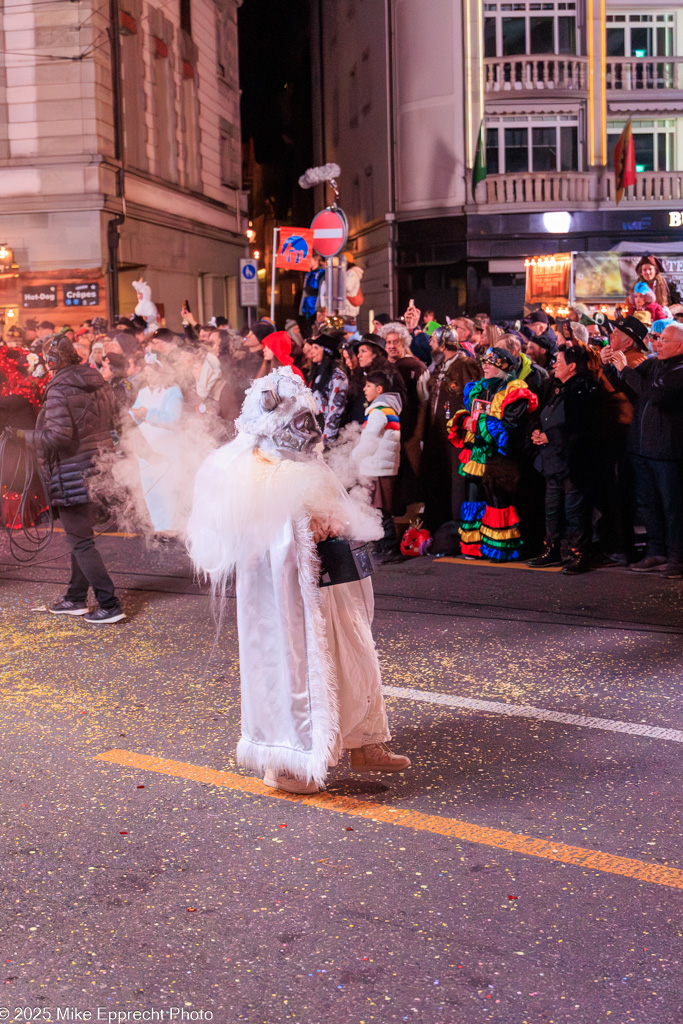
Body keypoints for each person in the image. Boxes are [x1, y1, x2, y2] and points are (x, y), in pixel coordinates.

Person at [186, 367, 411, 794]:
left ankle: (363, 740)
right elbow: (262, 536)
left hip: (326, 582)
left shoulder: (305, 462)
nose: (309, 432)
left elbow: (333, 503)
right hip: (282, 597)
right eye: (299, 422)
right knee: (289, 667)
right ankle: (283, 760)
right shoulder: (251, 468)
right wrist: (307, 527)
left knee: (354, 650)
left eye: (310, 420)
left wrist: (333, 522)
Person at [4, 335, 123, 622]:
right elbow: (115, 422)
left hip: (72, 472)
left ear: (54, 361)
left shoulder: (59, 389)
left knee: (81, 542)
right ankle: (76, 597)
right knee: (79, 538)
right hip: (97, 468)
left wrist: (22, 436)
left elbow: (57, 437)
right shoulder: (95, 379)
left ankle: (109, 603)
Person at [601, 322, 683, 578]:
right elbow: (628, 386)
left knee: (672, 507)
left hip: (667, 452)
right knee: (649, 504)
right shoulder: (654, 363)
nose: (656, 343)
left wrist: (625, 369)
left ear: (680, 345)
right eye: (656, 338)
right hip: (642, 448)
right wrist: (610, 365)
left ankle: (676, 558)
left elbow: (654, 394)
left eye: (663, 340)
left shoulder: (679, 370)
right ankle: (655, 551)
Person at [448, 347, 538, 561]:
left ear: (504, 366)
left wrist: (478, 424)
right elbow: (468, 413)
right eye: (484, 362)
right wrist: (464, 421)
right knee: (474, 498)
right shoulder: (477, 389)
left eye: (491, 363)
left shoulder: (515, 391)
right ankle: (475, 547)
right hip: (476, 454)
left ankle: (500, 548)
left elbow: (509, 427)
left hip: (501, 457)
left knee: (497, 501)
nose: (485, 366)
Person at [529, 346, 601, 574]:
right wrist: (538, 432)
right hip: (552, 460)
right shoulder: (560, 387)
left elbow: (580, 429)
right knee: (552, 508)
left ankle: (578, 554)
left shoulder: (583, 390)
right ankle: (552, 550)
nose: (554, 365)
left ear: (572, 366)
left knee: (574, 511)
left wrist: (550, 436)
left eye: (558, 362)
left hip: (572, 462)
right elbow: (546, 416)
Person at [417, 325, 480, 545]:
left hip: (457, 435)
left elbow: (474, 398)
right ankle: (441, 527)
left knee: (457, 481)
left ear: (444, 344)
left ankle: (460, 529)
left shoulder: (465, 365)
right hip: (438, 436)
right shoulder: (440, 367)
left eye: (433, 342)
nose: (431, 346)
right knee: (439, 479)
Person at [594, 316, 649, 563]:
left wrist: (608, 367)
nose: (610, 338)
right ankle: (620, 543)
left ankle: (625, 546)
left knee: (622, 495)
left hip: (625, 437)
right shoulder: (624, 361)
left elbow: (615, 389)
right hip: (617, 436)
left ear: (628, 342)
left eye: (615, 334)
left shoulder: (635, 362)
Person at [350, 369, 403, 561]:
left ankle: (388, 545)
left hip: (376, 466)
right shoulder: (389, 407)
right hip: (384, 465)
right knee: (382, 508)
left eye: (369, 385)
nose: (365, 389)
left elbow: (368, 442)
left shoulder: (378, 410)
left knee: (379, 509)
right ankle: (385, 545)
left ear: (379, 389)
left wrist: (353, 458)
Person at [129, 358, 184, 539]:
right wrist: (135, 416)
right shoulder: (143, 392)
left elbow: (173, 420)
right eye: (147, 374)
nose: (149, 377)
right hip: (146, 448)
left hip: (166, 448)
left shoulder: (172, 391)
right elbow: (133, 414)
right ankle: (158, 526)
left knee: (167, 487)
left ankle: (171, 526)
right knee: (150, 488)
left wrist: (148, 414)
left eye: (153, 373)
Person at [307, 332, 349, 447]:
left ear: (326, 351)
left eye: (316, 347)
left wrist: (326, 441)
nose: (311, 351)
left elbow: (335, 411)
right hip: (315, 432)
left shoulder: (337, 376)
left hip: (327, 437)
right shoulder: (315, 374)